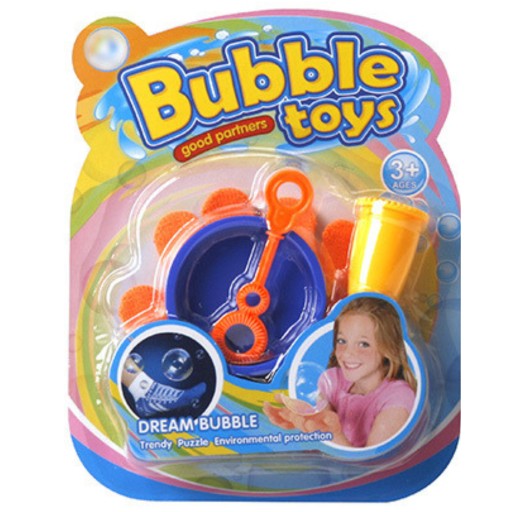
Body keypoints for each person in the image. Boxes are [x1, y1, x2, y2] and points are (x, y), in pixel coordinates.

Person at [263, 297, 416, 447]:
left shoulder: (398, 397)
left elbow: (375, 459)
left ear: (388, 348)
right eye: (342, 341)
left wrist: (333, 434)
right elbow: (321, 420)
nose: (347, 353)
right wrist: (304, 418)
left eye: (364, 344)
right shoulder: (333, 380)